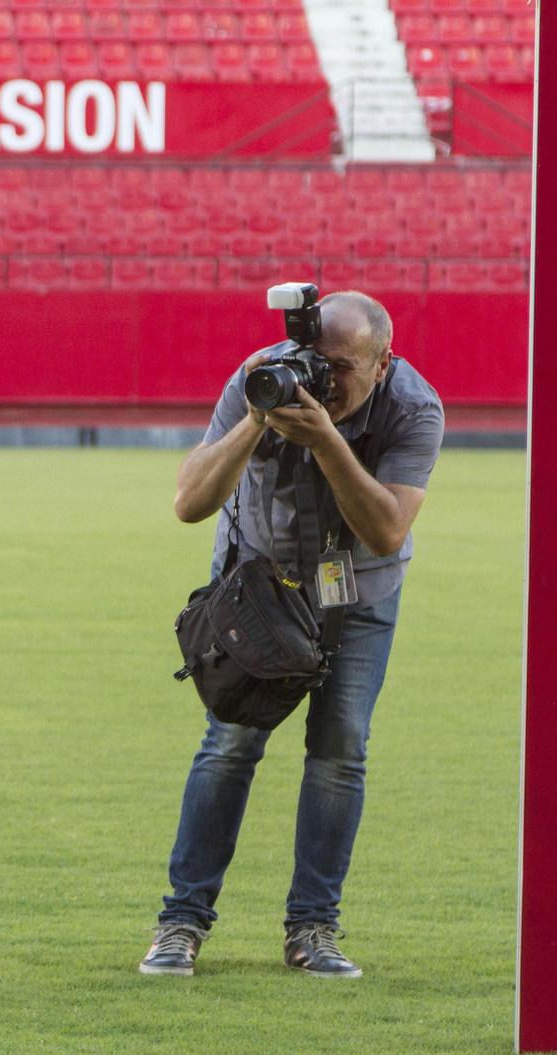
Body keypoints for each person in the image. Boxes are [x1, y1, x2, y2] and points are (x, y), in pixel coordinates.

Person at [142, 291, 444, 979]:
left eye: (341, 367)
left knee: (339, 748)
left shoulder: (413, 407)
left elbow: (386, 530)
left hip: (359, 592)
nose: (321, 379)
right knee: (230, 742)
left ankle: (313, 928)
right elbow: (189, 503)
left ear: (382, 364)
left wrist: (326, 440)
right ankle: (181, 922)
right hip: (260, 586)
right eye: (315, 360)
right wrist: (256, 418)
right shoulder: (263, 375)